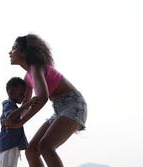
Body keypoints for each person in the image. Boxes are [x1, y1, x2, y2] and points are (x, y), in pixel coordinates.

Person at [6, 34, 88, 167]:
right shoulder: (28, 77)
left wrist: (20, 122)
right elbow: (26, 106)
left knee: (45, 146)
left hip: (74, 105)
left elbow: (42, 98)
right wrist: (10, 119)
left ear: (23, 52)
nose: (10, 52)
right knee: (31, 151)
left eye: (13, 48)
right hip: (59, 109)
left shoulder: (36, 68)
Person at [0, 77, 34, 167]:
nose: (24, 96)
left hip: (10, 144)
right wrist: (26, 105)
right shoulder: (8, 104)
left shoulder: (13, 106)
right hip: (9, 144)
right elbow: (10, 117)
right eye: (21, 93)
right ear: (11, 92)